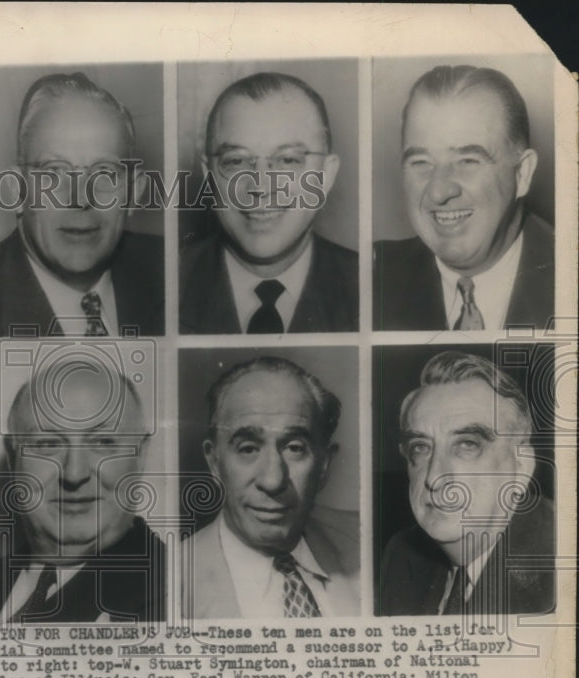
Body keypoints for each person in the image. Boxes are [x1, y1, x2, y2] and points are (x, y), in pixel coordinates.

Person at [0, 355, 166, 622]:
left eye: (103, 442)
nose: (74, 473)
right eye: (47, 444)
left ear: (140, 455)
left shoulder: (177, 592)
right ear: (13, 458)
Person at [374, 65, 553, 331]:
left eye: (467, 160)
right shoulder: (370, 278)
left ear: (522, 173)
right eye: (421, 162)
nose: (438, 192)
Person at [0, 72, 164, 338]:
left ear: (133, 193)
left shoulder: (171, 272)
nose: (80, 198)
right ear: (16, 189)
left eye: (104, 173)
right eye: (55, 172)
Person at [378, 351, 554, 615]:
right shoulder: (402, 555)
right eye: (420, 447)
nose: (434, 477)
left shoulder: (560, 565)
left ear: (521, 467)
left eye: (467, 445)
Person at [180, 73, 357, 335]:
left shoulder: (374, 288)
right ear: (209, 176)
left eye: (287, 161)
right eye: (236, 161)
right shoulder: (163, 284)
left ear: (326, 176)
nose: (260, 188)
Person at [187, 357, 359, 618]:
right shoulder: (171, 578)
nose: (273, 480)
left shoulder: (369, 545)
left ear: (324, 465)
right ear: (214, 462)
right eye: (248, 449)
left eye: (294, 448)